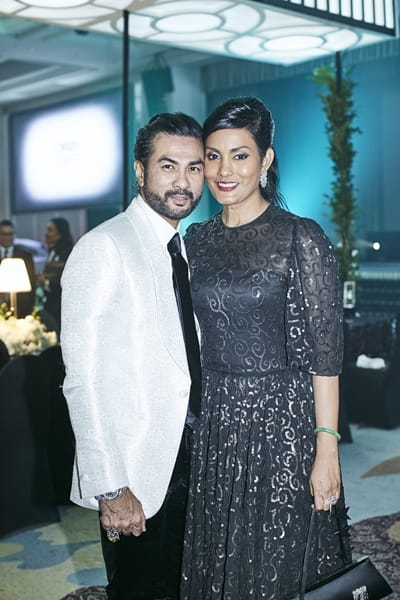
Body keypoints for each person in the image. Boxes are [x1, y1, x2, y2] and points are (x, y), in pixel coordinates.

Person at [180, 97, 352, 600]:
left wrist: (327, 447)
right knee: (222, 555)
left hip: (283, 421)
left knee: (280, 556)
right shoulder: (196, 239)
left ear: (266, 160)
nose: (224, 171)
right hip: (217, 419)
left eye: (240, 155)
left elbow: (325, 354)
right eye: (213, 156)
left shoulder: (300, 237)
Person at [60, 112, 204, 600]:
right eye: (168, 166)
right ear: (141, 171)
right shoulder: (103, 247)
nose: (182, 181)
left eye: (193, 167)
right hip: (137, 474)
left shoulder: (184, 249)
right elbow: (82, 381)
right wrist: (110, 487)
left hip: (193, 459)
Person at [39, 217, 74, 331]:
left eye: (50, 230)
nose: (46, 234)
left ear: (60, 233)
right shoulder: (51, 250)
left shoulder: (68, 253)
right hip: (50, 304)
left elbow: (67, 279)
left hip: (61, 306)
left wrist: (46, 282)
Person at [0, 219, 36, 317]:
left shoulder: (25, 256)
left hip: (21, 307)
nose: (7, 237)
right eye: (4, 234)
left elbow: (32, 283)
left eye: (10, 234)